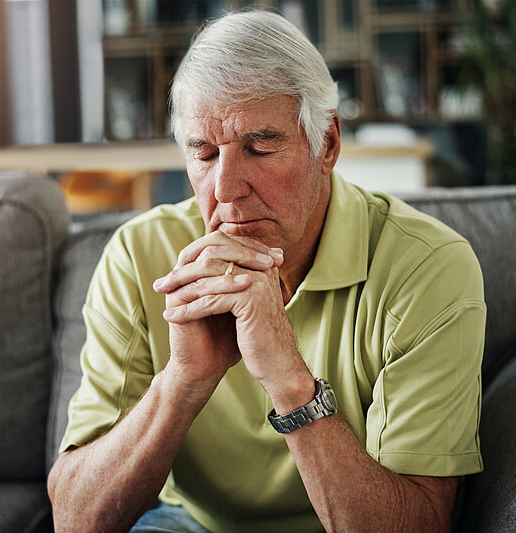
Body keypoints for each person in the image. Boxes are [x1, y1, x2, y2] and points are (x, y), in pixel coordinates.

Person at [48, 10, 485, 533]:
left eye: (259, 147)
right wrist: (183, 382)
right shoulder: (138, 255)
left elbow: (418, 525)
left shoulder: (427, 267)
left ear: (327, 144)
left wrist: (287, 377)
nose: (226, 188)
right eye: (205, 153)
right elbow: (74, 520)